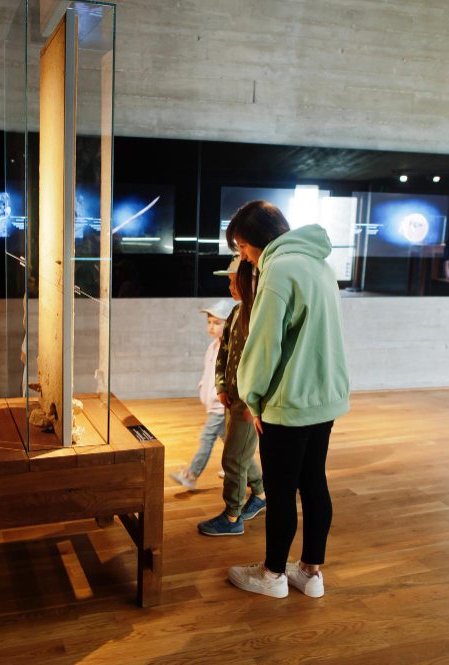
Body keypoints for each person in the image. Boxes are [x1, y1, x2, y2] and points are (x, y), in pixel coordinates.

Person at [225, 201, 350, 599]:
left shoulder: (278, 269)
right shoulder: (319, 265)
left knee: (280, 491)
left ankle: (272, 574)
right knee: (314, 483)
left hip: (289, 402)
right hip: (325, 397)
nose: (243, 257)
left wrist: (253, 397)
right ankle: (311, 572)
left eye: (242, 247)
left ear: (256, 241)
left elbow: (264, 345)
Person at [197, 257, 267, 536]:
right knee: (239, 452)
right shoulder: (238, 312)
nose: (229, 284)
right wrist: (222, 386)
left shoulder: (262, 315)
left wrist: (255, 402)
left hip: (249, 401)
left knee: (234, 458)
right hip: (233, 397)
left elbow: (266, 362)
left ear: (252, 280)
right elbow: (223, 353)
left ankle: (232, 516)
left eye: (233, 278)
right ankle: (260, 495)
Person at [169, 299, 235, 490]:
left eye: (217, 322)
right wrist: (202, 387)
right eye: (209, 322)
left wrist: (215, 395)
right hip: (214, 405)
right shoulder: (213, 347)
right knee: (232, 445)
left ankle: (191, 474)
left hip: (219, 406)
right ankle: (247, 475)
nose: (211, 327)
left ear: (229, 323)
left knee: (207, 439)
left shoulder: (229, 349)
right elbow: (208, 373)